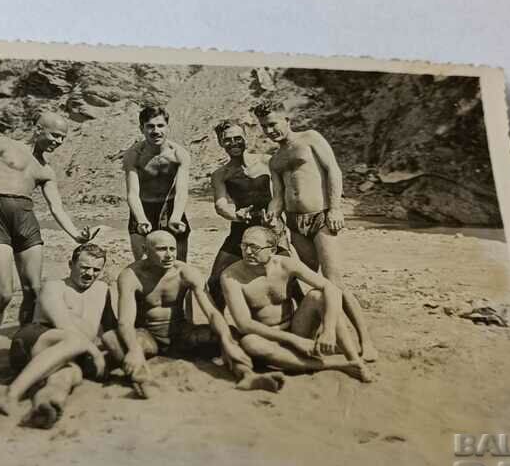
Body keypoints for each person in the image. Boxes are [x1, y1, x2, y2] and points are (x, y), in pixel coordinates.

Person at [0, 112, 96, 363]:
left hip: (25, 219)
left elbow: (57, 207)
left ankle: (20, 346)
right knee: (3, 293)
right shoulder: (3, 144)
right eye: (55, 135)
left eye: (63, 138)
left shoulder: (46, 169)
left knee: (33, 291)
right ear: (38, 129)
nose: (58, 141)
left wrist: (76, 234)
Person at [253, 99, 375, 360]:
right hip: (296, 224)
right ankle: (319, 331)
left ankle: (366, 342)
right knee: (308, 281)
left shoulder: (310, 138)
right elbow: (279, 194)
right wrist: (273, 210)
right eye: (264, 127)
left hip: (320, 217)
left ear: (287, 120)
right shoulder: (275, 160)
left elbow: (334, 171)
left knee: (334, 282)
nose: (270, 130)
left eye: (273, 124)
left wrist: (335, 208)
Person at [105, 230, 284, 395]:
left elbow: (212, 313)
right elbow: (125, 321)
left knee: (230, 335)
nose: (169, 255)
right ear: (145, 249)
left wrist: (226, 341)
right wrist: (135, 349)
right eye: (161, 249)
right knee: (113, 340)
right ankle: (142, 380)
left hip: (181, 334)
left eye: (172, 249)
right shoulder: (131, 275)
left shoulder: (185, 272)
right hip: (148, 337)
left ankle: (246, 375)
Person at [221, 226, 373, 383]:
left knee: (317, 296)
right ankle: (334, 364)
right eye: (244, 246)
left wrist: (328, 331)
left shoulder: (286, 265)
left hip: (297, 328)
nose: (248, 252)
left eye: (255, 247)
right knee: (250, 343)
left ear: (272, 250)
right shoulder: (231, 276)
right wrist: (294, 341)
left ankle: (354, 360)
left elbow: (332, 289)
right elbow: (244, 324)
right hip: (267, 337)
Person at [0, 243, 115, 428]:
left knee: (69, 375)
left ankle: (46, 405)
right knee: (73, 341)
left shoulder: (102, 289)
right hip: (36, 341)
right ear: (71, 264)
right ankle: (9, 395)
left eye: (96, 270)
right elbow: (65, 327)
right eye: (84, 268)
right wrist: (95, 353)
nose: (90, 274)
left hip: (70, 354)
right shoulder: (54, 287)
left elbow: (110, 328)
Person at [206, 119, 285, 309]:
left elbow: (279, 194)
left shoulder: (267, 162)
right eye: (227, 140)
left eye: (237, 138)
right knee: (215, 281)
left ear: (245, 137)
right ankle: (219, 331)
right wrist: (236, 215)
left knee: (285, 276)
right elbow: (220, 204)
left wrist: (273, 215)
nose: (233, 143)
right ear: (220, 142)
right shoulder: (220, 174)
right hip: (241, 228)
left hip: (271, 226)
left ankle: (298, 324)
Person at [122, 105, 192, 262]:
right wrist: (140, 218)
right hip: (143, 207)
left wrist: (176, 217)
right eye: (150, 126)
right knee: (143, 264)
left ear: (167, 127)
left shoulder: (179, 154)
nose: (156, 131)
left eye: (160, 125)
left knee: (178, 263)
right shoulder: (133, 155)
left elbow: (181, 191)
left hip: (171, 207)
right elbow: (132, 193)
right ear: (142, 128)